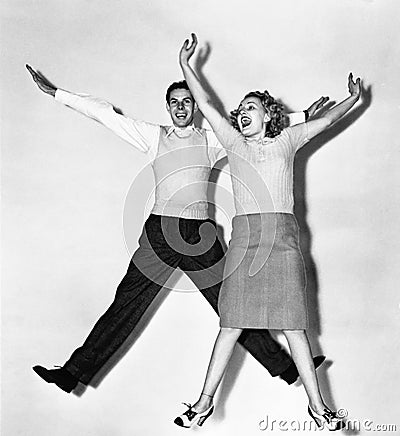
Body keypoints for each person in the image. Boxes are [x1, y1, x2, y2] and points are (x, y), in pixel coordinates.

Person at [26, 64, 326, 394]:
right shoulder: (153, 136)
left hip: (201, 237)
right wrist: (58, 93)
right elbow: (106, 115)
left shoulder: (212, 138)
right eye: (175, 102)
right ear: (168, 107)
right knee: (126, 303)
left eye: (187, 101)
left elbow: (260, 128)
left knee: (232, 305)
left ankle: (286, 367)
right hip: (160, 235)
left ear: (196, 108)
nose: (181, 107)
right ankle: (73, 373)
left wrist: (303, 116)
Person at [174, 34, 362, 430]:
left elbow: (328, 120)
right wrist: (186, 66)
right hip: (246, 243)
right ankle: (203, 403)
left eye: (251, 107)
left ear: (268, 115)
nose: (242, 112)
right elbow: (206, 105)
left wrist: (353, 98)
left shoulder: (288, 138)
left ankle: (318, 407)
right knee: (230, 324)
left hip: (282, 241)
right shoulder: (233, 142)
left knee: (294, 326)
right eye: (240, 108)